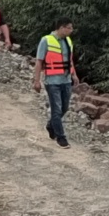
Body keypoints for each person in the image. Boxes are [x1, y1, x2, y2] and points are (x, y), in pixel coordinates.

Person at [34, 18, 78, 148]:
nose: (71, 30)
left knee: (64, 108)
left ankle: (51, 125)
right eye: (69, 28)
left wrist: (74, 74)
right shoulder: (46, 40)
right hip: (52, 81)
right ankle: (61, 138)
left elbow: (69, 60)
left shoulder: (68, 41)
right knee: (56, 109)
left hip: (66, 80)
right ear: (62, 28)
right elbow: (39, 61)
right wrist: (37, 81)